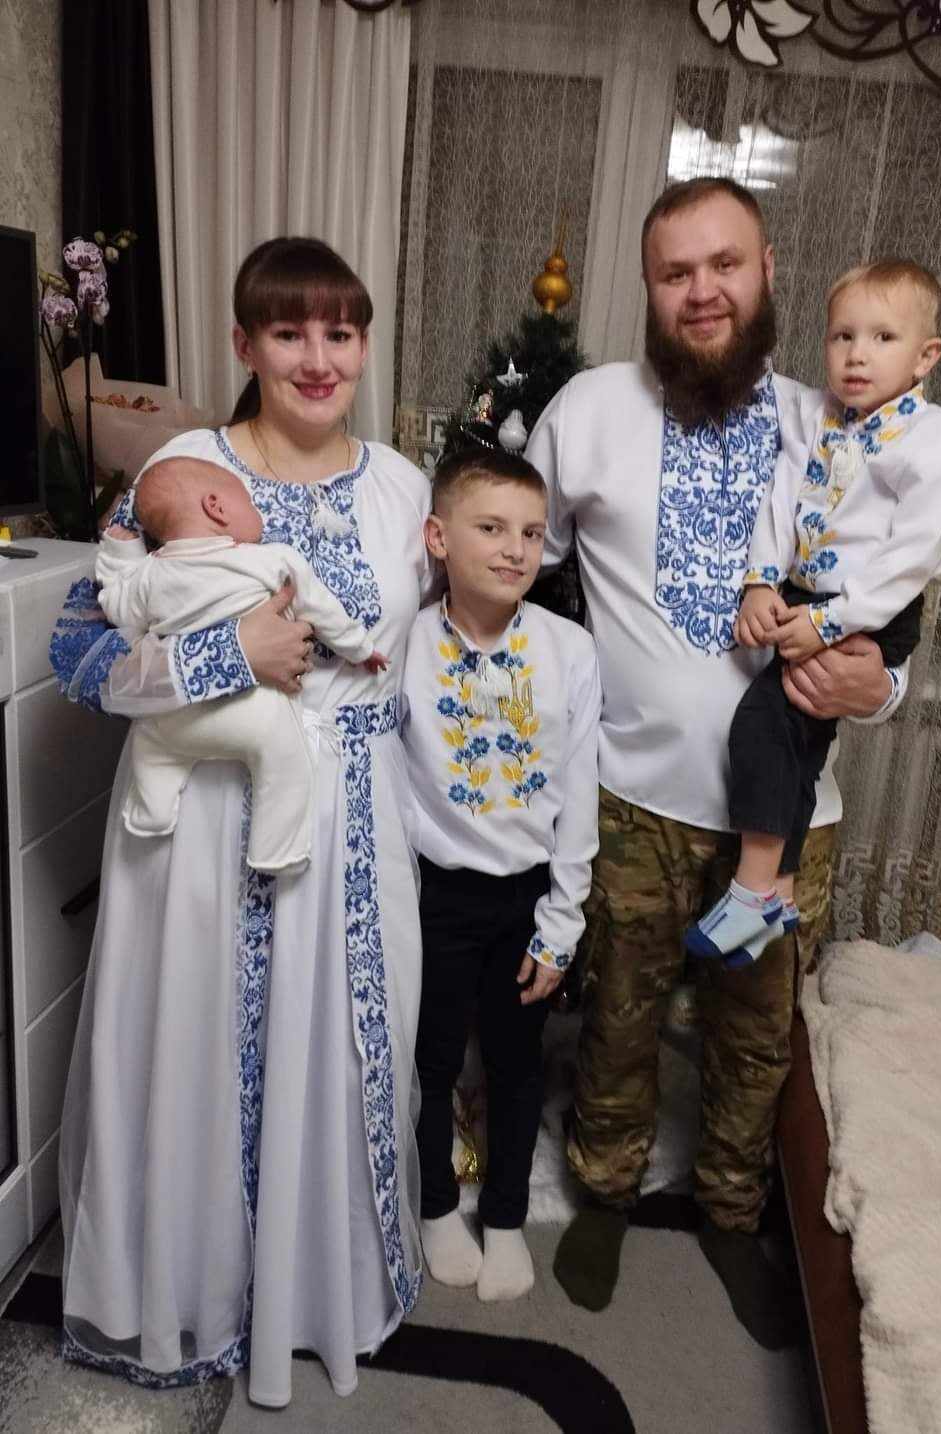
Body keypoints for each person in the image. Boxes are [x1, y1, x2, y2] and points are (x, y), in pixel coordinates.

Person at [525, 177, 908, 1349]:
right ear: (647, 288)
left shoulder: (833, 425)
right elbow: (509, 571)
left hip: (786, 820)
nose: (703, 292)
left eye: (725, 264)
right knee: (620, 1016)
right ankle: (603, 1193)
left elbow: (894, 605)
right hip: (630, 800)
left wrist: (882, 689)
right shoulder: (586, 410)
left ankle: (735, 1216)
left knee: (757, 1034)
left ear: (769, 269)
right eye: (675, 271)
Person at [51, 237, 431, 1407]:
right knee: (197, 1057)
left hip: (355, 819)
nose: (318, 359)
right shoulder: (180, 468)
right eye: (288, 332)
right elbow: (77, 652)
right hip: (208, 824)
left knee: (346, 1054)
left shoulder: (404, 486)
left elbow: (428, 645)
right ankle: (197, 1297)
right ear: (244, 344)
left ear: (363, 344)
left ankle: (316, 1294)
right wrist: (232, 653)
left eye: (340, 333)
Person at [687, 260, 941, 965]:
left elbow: (911, 560)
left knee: (763, 723)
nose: (856, 354)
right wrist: (761, 582)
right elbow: (781, 500)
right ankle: (781, 892)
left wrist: (828, 623)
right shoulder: (816, 415)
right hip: (806, 594)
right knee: (799, 747)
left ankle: (753, 890)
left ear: (926, 356)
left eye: (882, 337)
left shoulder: (939, 441)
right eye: (842, 336)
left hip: (871, 608)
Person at [401, 448, 601, 1302]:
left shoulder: (570, 650)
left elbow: (580, 796)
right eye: (491, 528)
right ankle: (436, 1204)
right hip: (435, 897)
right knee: (431, 1058)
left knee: (518, 1063)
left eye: (530, 532)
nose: (516, 549)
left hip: (527, 898)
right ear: (438, 537)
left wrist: (562, 923)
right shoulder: (405, 644)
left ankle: (508, 1215)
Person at [96, 456, 388, 874]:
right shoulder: (269, 559)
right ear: (216, 507)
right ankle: (277, 850)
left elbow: (118, 607)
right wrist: (360, 648)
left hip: (171, 720)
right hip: (252, 712)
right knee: (286, 760)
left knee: (152, 746)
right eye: (249, 502)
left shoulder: (149, 574)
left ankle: (151, 813)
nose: (258, 513)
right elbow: (322, 611)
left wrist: (121, 552)